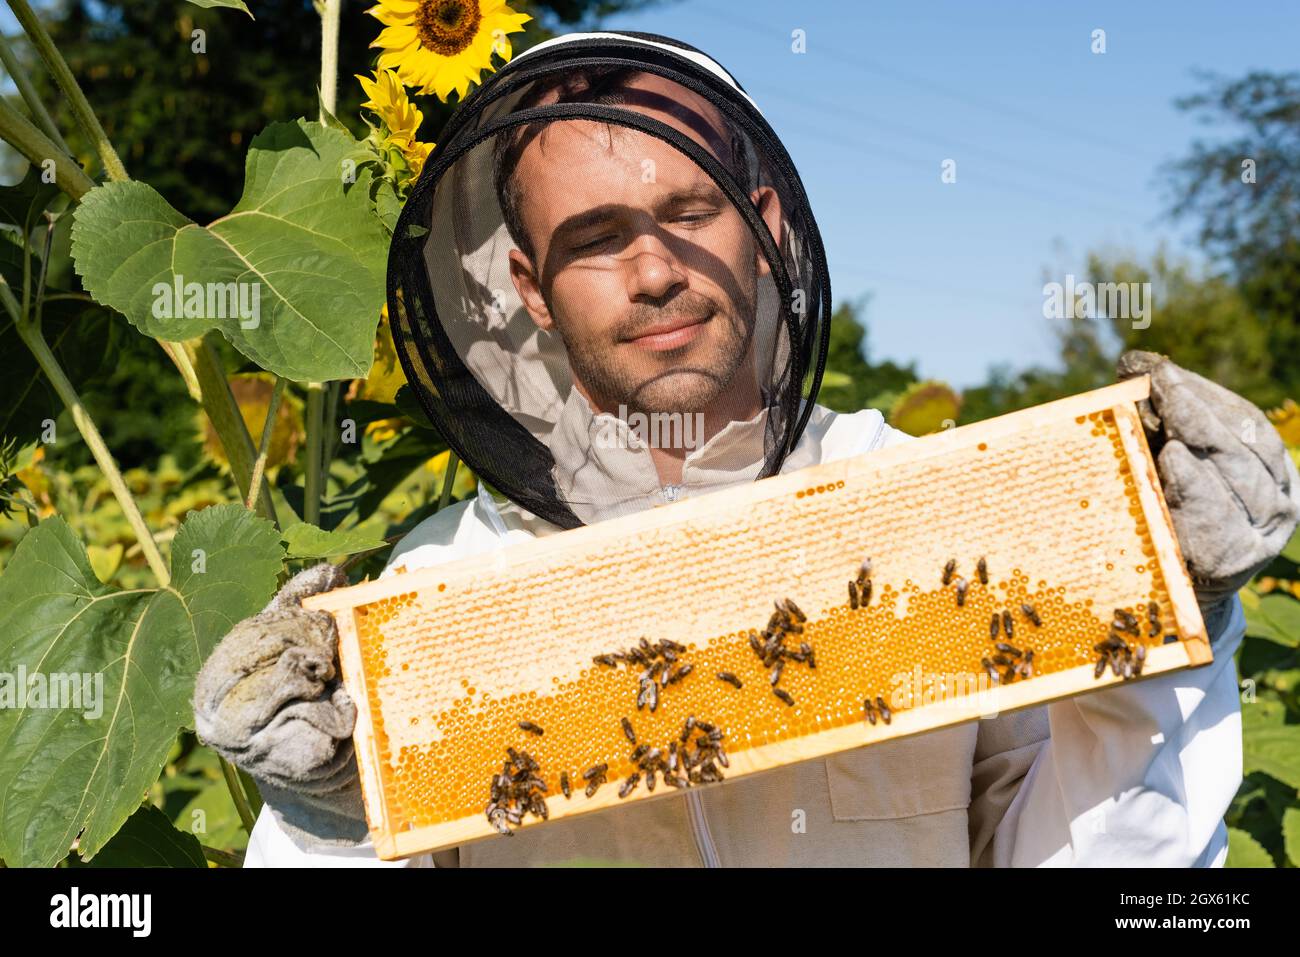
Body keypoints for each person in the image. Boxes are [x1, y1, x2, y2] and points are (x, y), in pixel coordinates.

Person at [193, 32, 1300, 867]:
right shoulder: (438, 594)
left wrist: (1169, 622)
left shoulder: (935, 514)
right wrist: (333, 818)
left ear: (765, 224)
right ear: (527, 286)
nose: (655, 272)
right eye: (592, 240)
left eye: (691, 210)